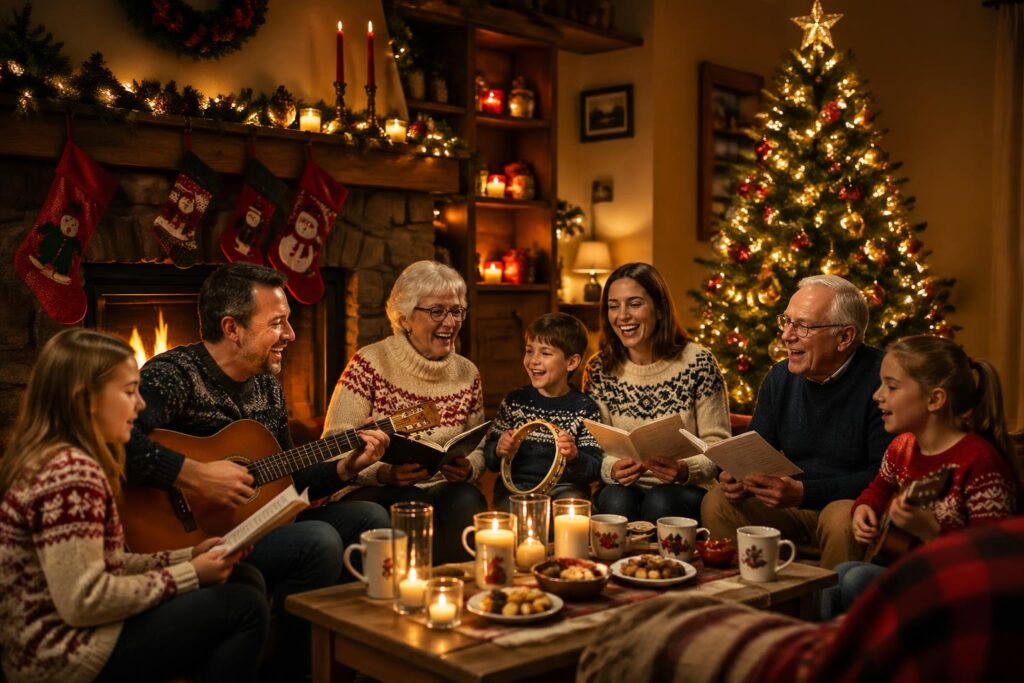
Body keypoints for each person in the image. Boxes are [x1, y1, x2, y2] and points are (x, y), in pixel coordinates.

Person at [125, 262, 391, 680]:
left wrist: (345, 466)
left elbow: (284, 476)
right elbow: (118, 443)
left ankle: (344, 662)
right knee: (318, 540)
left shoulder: (267, 385)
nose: (290, 335)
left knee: (371, 519)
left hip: (256, 523)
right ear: (232, 328)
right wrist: (194, 474)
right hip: (194, 537)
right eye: (278, 323)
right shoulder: (170, 375)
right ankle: (288, 670)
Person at [0, 329, 268, 683]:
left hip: (78, 633)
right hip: (62, 655)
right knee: (243, 608)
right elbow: (85, 599)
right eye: (129, 392)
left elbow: (103, 564)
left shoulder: (60, 458)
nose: (141, 405)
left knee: (244, 577)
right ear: (86, 401)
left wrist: (186, 557)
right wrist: (191, 575)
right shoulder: (70, 474)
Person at [819, 335, 1019, 619]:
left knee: (855, 579)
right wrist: (864, 508)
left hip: (958, 592)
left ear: (935, 399)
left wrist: (931, 531)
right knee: (839, 574)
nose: (877, 395)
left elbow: (991, 560)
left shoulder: (980, 463)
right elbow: (878, 489)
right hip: (909, 570)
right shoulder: (902, 448)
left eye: (891, 386)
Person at [701, 274, 893, 569]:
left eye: (802, 326)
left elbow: (886, 474)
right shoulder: (781, 377)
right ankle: (747, 598)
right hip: (791, 505)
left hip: (849, 505)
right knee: (718, 502)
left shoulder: (883, 381)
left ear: (845, 337)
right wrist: (738, 474)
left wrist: (804, 493)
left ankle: (829, 611)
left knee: (841, 516)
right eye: (786, 322)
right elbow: (756, 447)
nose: (786, 336)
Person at [323, 260, 489, 563]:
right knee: (412, 502)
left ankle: (454, 590)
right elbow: (331, 450)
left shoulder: (468, 373)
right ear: (405, 318)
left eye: (456, 311)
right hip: (373, 489)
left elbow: (478, 448)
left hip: (442, 486)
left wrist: (469, 468)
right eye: (437, 311)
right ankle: (410, 595)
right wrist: (385, 473)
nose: (450, 323)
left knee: (467, 498)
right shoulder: (369, 364)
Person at [582, 262, 731, 523]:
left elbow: (718, 446)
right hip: (623, 487)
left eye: (635, 304)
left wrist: (685, 470)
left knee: (660, 500)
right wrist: (611, 469)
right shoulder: (598, 368)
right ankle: (626, 566)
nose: (622, 316)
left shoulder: (698, 362)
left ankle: (668, 565)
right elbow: (592, 446)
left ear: (660, 309)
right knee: (617, 500)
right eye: (613, 306)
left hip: (686, 488)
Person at [483, 313, 602, 508]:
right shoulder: (514, 401)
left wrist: (574, 456)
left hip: (564, 489)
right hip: (516, 489)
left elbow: (594, 468)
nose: (533, 361)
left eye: (545, 353)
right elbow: (490, 459)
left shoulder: (585, 408)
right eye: (529, 351)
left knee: (570, 508)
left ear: (571, 362)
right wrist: (498, 449)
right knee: (509, 513)